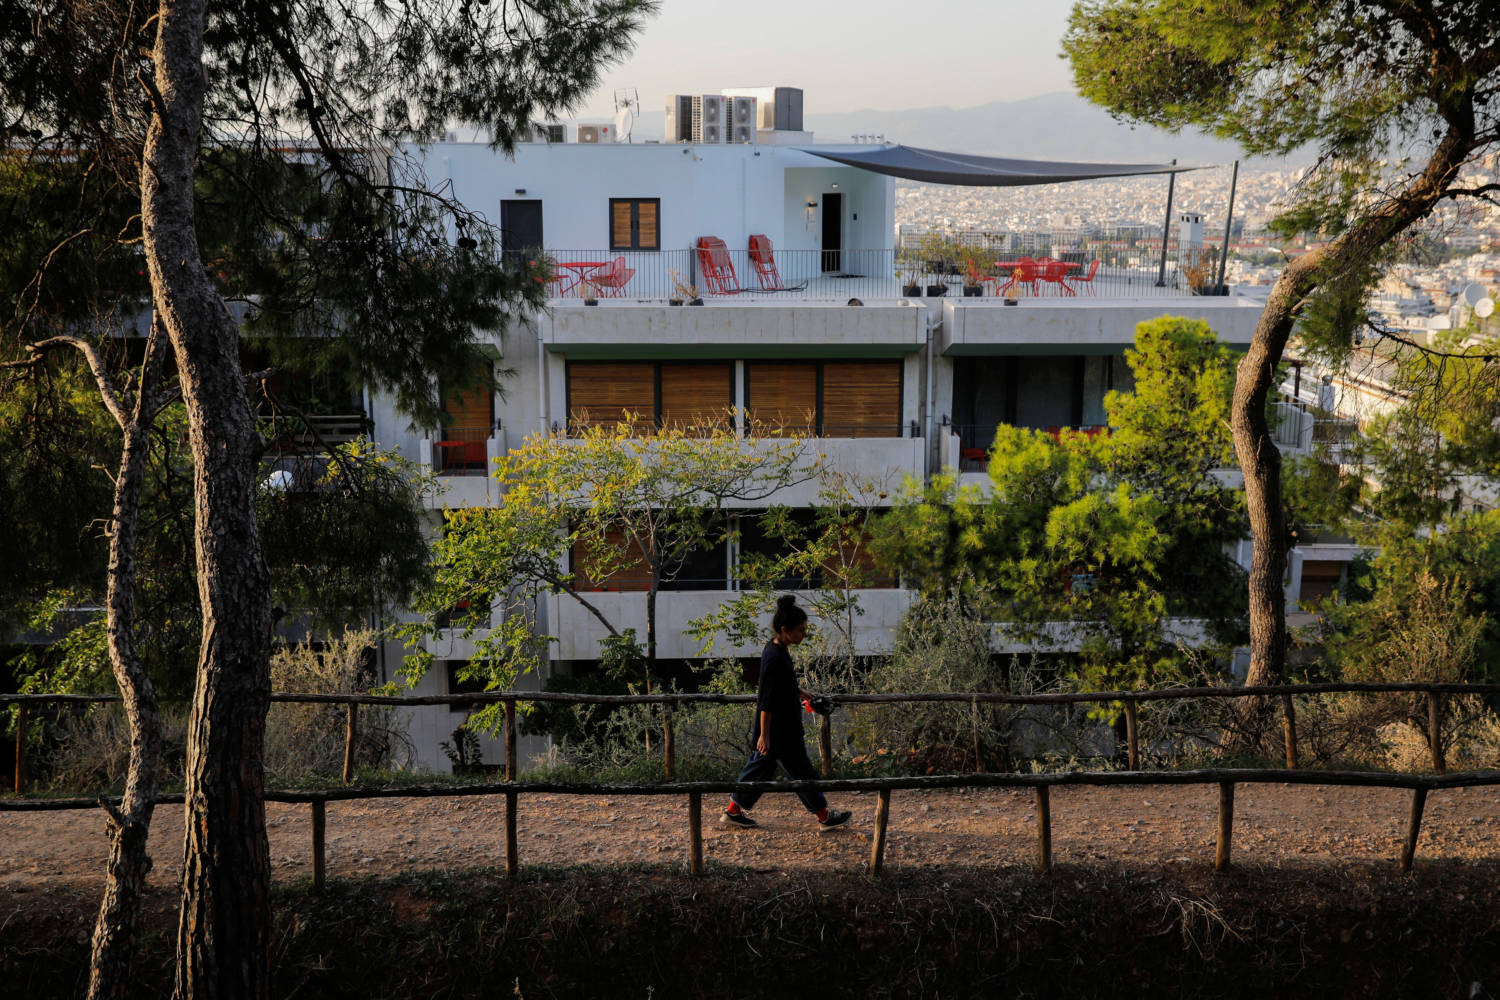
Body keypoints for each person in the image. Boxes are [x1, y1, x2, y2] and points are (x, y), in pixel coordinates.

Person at [721, 595, 851, 831]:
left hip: (780, 729)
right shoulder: (774, 657)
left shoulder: (776, 649)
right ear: (785, 629)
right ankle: (824, 816)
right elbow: (767, 700)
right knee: (802, 772)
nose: (804, 634)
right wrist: (764, 735)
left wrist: (799, 691)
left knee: (759, 769)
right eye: (801, 630)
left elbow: (778, 685)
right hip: (781, 731)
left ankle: (733, 811)